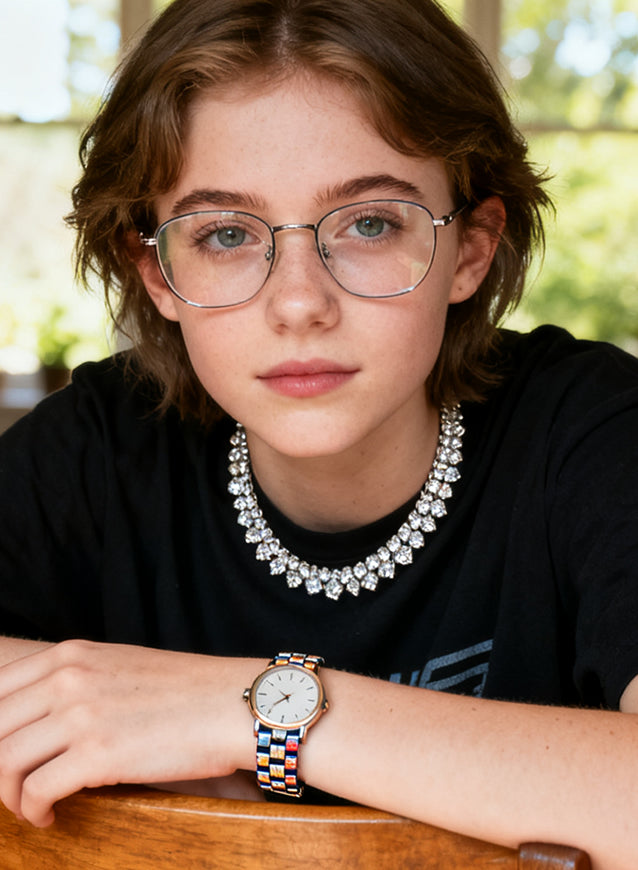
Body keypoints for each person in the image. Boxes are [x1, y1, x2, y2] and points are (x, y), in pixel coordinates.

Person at [1, 0, 637, 866]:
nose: (299, 303)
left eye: (370, 222)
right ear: (155, 272)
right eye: (226, 234)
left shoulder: (595, 428)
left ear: (472, 248)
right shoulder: (100, 446)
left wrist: (249, 711)